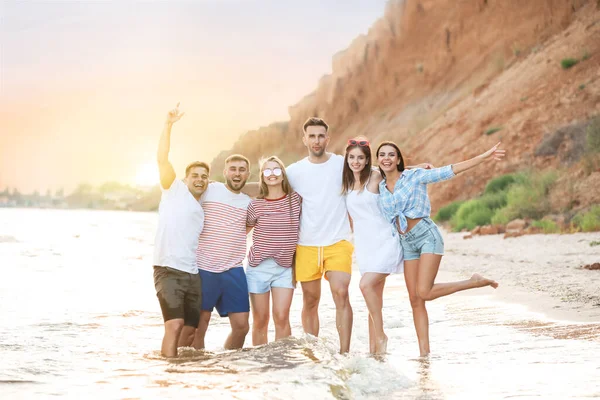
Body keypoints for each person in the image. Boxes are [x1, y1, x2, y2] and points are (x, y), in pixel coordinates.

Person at [376, 140, 504, 357]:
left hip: (427, 236)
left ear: (398, 159)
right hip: (406, 244)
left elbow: (450, 171)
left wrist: (482, 157)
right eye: (382, 155)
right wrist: (413, 165)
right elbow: (361, 170)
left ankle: (473, 282)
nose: (386, 158)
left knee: (424, 292)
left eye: (391, 155)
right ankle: (424, 355)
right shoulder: (379, 185)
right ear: (378, 160)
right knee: (415, 300)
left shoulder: (416, 177)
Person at [285, 117, 355, 354]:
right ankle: (313, 352)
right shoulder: (294, 171)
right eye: (312, 136)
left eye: (320, 136)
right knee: (310, 300)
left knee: (342, 292)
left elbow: (378, 172)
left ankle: (344, 353)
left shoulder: (342, 164)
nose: (316, 140)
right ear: (304, 139)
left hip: (339, 241)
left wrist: (416, 169)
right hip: (306, 245)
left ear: (328, 138)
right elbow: (266, 187)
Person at [153, 103, 209, 357]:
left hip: (192, 275)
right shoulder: (173, 190)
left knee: (190, 331)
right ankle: (167, 373)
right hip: (168, 271)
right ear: (186, 178)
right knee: (174, 326)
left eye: (204, 176)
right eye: (195, 175)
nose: (199, 179)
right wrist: (168, 125)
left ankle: (182, 377)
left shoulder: (203, 205)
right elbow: (162, 158)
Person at [342, 137, 403, 355]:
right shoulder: (347, 183)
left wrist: (420, 167)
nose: (356, 161)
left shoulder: (376, 176)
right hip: (365, 245)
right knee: (373, 298)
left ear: (368, 160)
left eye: (360, 157)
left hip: (385, 239)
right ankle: (375, 352)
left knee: (365, 286)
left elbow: (396, 170)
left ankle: (381, 334)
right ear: (347, 159)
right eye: (352, 157)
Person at [190, 154, 252, 350]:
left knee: (242, 327)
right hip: (203, 268)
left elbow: (246, 228)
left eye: (242, 170)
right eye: (232, 169)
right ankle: (196, 367)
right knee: (200, 327)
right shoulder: (209, 189)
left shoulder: (249, 202)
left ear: (247, 174)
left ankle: (228, 365)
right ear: (225, 172)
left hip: (233, 269)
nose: (237, 173)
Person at [245, 156, 301, 346]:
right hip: (258, 268)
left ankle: (282, 360)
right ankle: (261, 363)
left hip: (285, 268)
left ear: (283, 174)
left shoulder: (296, 200)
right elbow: (241, 233)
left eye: (276, 170)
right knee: (260, 320)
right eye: (267, 171)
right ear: (262, 176)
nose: (272, 175)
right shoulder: (255, 205)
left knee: (282, 317)